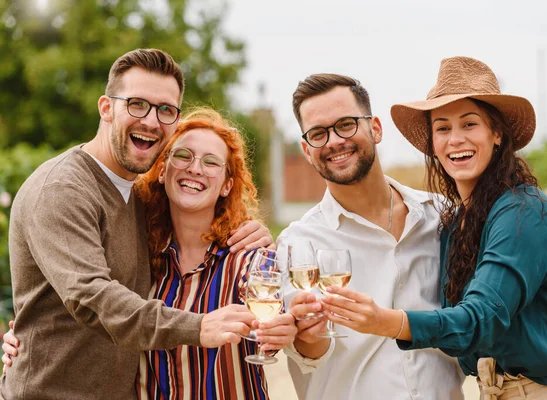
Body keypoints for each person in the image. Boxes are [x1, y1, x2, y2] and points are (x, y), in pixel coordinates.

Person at [321, 57, 547, 399]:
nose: (455, 139)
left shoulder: (521, 210)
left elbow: (479, 320)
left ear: (496, 134)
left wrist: (385, 321)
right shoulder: (455, 222)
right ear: (433, 144)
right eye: (442, 127)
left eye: (469, 124)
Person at [1, 49, 272, 400]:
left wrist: (253, 232)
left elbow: (194, 223)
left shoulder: (142, 201)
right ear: (106, 108)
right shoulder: (63, 189)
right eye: (137, 104)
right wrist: (200, 325)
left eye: (165, 110)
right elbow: (91, 297)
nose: (151, 121)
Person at [280, 73, 466, 399]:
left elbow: (485, 301)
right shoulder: (299, 243)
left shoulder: (442, 215)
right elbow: (306, 355)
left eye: (346, 124)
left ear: (375, 128)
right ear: (307, 150)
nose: (335, 141)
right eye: (318, 134)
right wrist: (310, 334)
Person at [132, 107, 296, 399]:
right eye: (183, 156)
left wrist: (280, 330)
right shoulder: (137, 257)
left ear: (226, 186)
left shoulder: (250, 257)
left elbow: (273, 313)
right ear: (161, 170)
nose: (195, 169)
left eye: (211, 162)